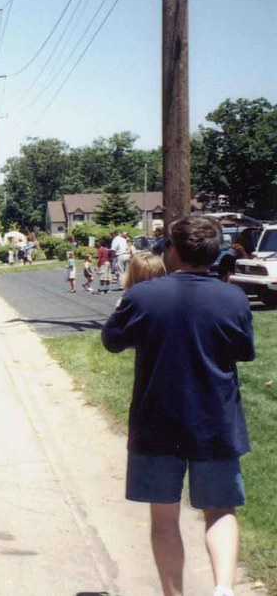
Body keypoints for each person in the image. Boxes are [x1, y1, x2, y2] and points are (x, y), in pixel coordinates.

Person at [101, 216, 255, 596]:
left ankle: (175, 594)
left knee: (164, 517)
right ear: (214, 253)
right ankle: (223, 588)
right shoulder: (233, 297)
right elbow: (244, 352)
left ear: (172, 249)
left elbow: (112, 341)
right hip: (216, 420)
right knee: (220, 510)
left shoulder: (143, 296)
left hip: (157, 423)